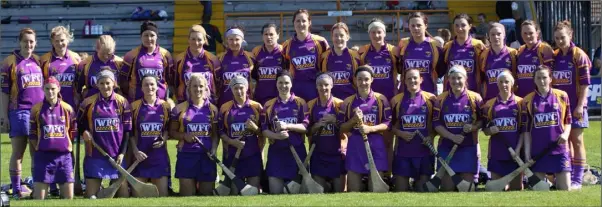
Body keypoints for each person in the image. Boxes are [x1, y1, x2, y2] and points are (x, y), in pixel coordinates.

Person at [1, 27, 44, 199]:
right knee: (18, 152)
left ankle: (35, 186)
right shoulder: (9, 62)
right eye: (25, 41)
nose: (29, 44)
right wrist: (3, 115)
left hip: (38, 114)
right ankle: (17, 189)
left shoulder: (38, 61)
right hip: (19, 112)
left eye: (32, 41)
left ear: (36, 43)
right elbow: (3, 91)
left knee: (37, 152)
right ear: (19, 42)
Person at [552, 21, 592, 190]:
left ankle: (577, 178)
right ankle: (566, 176)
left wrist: (580, 106)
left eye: (563, 37)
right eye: (557, 38)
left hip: (576, 107)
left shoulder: (578, 55)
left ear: (571, 35)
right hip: (560, 111)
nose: (560, 41)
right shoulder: (554, 56)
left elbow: (585, 85)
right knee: (565, 143)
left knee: (577, 141)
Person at [79, 70, 131, 198]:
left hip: (116, 155)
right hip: (95, 154)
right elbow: (80, 123)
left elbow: (127, 130)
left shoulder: (123, 102)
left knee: (123, 196)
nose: (105, 86)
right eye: (101, 83)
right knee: (91, 195)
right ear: (97, 85)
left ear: (114, 83)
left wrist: (122, 153)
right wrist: (83, 132)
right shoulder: (88, 103)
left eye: (108, 83)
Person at [339, 65, 391, 192]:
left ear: (372, 79)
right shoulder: (347, 102)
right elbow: (341, 128)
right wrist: (353, 120)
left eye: (366, 79)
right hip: (355, 145)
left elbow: (388, 123)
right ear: (355, 80)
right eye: (360, 79)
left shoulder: (381, 99)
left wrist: (370, 129)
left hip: (376, 144)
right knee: (354, 190)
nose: (363, 83)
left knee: (376, 190)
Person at [432, 65, 483, 191]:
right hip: (446, 147)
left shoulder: (475, 98)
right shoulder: (441, 99)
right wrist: (452, 136)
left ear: (465, 79)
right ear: (448, 80)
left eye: (459, 78)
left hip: (468, 147)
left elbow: (483, 121)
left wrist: (473, 127)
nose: (456, 81)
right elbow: (436, 124)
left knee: (467, 189)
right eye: (453, 78)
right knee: (447, 188)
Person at [522, 65, 572, 191]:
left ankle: (552, 183)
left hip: (559, 149)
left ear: (550, 79)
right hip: (539, 151)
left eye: (544, 77)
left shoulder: (562, 96)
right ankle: (548, 183)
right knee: (539, 190)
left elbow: (568, 121)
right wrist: (527, 153)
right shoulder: (527, 100)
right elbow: (527, 131)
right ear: (534, 80)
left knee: (565, 189)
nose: (542, 81)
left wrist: (565, 134)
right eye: (538, 78)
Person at [169, 73, 219, 196]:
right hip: (186, 156)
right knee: (187, 195)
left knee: (206, 194)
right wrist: (184, 136)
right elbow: (172, 132)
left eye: (201, 86)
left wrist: (213, 149)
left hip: (206, 156)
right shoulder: (179, 109)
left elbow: (215, 134)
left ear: (206, 88)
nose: (198, 89)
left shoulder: (213, 109)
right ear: (189, 88)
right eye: (195, 86)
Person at [261, 70, 309, 194]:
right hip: (276, 154)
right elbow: (264, 130)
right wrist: (277, 136)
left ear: (291, 84)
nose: (283, 86)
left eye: (286, 83)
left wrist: (288, 126)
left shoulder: (300, 103)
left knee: (298, 195)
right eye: (280, 83)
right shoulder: (268, 105)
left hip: (297, 152)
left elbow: (305, 127)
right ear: (276, 84)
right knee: (276, 194)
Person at [29, 77, 77, 199]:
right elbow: (33, 135)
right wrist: (41, 148)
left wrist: (64, 146)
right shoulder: (36, 109)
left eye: (53, 89)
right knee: (39, 198)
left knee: (68, 198)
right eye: (47, 89)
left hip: (64, 157)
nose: (50, 92)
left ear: (59, 89)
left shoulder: (68, 109)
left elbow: (73, 132)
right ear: (42, 89)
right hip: (43, 157)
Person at [389, 68, 436, 192]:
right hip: (403, 153)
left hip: (425, 152)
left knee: (422, 190)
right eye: (409, 78)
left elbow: (437, 124)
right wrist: (400, 133)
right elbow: (389, 125)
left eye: (415, 77)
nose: (412, 80)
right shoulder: (396, 100)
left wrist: (431, 137)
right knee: (401, 190)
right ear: (404, 81)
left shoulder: (431, 99)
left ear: (421, 79)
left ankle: (418, 181)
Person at [218, 75, 264, 193]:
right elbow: (221, 132)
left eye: (241, 88)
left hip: (252, 155)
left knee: (252, 192)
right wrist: (232, 142)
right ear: (232, 90)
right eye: (235, 88)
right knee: (234, 192)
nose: (239, 91)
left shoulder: (256, 107)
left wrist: (255, 129)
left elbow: (263, 133)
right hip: (233, 156)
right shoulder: (225, 108)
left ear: (247, 88)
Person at [129, 74, 172, 197]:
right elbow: (130, 132)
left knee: (162, 195)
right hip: (140, 157)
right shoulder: (134, 107)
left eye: (152, 84)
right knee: (138, 197)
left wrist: (163, 139)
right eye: (146, 85)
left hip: (158, 156)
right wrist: (135, 151)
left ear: (157, 87)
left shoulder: (165, 106)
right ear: (141, 88)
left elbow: (168, 128)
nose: (149, 87)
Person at [481, 70, 524, 191]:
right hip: (497, 152)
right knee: (497, 189)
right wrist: (490, 130)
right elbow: (485, 129)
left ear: (512, 83)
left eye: (506, 82)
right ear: (497, 84)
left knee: (516, 189)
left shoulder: (521, 103)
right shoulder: (489, 105)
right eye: (501, 82)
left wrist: (518, 149)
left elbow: (523, 130)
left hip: (515, 153)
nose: (504, 84)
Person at [307, 73, 346, 192]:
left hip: (337, 154)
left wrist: (335, 121)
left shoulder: (340, 104)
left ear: (332, 85)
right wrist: (316, 126)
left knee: (339, 193)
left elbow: (347, 129)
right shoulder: (310, 105)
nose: (323, 88)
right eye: (320, 85)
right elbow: (307, 132)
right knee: (319, 192)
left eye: (326, 85)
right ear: (316, 86)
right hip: (318, 154)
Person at [282, 9, 329, 102]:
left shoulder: (320, 42)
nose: (301, 24)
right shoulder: (287, 45)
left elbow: (327, 63)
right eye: (298, 21)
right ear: (293, 23)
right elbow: (285, 67)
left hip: (316, 87)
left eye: (304, 21)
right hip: (296, 87)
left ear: (309, 22)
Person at [120, 21, 174, 103]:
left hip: (160, 103)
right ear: (141, 37)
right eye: (146, 35)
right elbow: (123, 81)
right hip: (137, 102)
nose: (149, 38)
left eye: (152, 35)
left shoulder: (166, 55)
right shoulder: (131, 55)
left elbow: (169, 80)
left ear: (157, 37)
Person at [399, 12, 445, 94]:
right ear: (409, 26)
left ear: (426, 26)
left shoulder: (435, 46)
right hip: (406, 94)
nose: (415, 28)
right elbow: (399, 68)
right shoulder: (403, 44)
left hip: (429, 94)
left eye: (419, 25)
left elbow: (441, 71)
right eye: (412, 26)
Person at [174, 25, 221, 104]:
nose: (196, 42)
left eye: (199, 39)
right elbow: (174, 83)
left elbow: (219, 83)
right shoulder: (179, 59)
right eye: (193, 39)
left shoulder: (213, 59)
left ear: (204, 40)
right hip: (185, 104)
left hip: (208, 104)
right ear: (188, 40)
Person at [40, 26, 82, 109]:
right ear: (52, 41)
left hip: (72, 105)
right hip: (51, 106)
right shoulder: (44, 60)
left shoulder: (75, 58)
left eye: (62, 40)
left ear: (67, 39)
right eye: (56, 41)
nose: (60, 43)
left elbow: (80, 82)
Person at [443, 13, 486, 93]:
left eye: (463, 25)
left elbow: (484, 71)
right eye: (456, 25)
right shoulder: (447, 46)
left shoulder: (478, 45)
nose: (459, 28)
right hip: (451, 94)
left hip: (473, 94)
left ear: (470, 26)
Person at [217, 27, 256, 107]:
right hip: (225, 103)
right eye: (231, 39)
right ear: (227, 40)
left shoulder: (251, 57)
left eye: (237, 39)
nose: (234, 42)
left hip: (246, 104)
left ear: (242, 40)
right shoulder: (219, 58)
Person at [479, 23, 518, 101]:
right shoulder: (483, 55)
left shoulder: (513, 53)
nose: (496, 37)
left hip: (509, 101)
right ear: (488, 36)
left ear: (504, 35)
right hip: (490, 101)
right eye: (492, 34)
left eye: (499, 34)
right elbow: (481, 79)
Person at [515, 20, 554, 97]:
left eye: (531, 33)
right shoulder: (520, 50)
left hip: (540, 98)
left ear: (537, 33)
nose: (528, 36)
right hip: (522, 98)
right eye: (525, 33)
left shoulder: (545, 49)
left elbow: (550, 77)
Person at [321, 22, 360, 100]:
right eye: (335, 35)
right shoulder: (324, 56)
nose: (338, 38)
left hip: (351, 100)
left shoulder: (356, 56)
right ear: (332, 37)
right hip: (331, 102)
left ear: (347, 37)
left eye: (341, 35)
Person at [252, 23, 285, 105]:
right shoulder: (256, 51)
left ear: (278, 35)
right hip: (261, 97)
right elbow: (253, 75)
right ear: (262, 36)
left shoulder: (284, 51)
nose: (268, 37)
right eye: (266, 34)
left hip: (279, 98)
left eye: (271, 34)